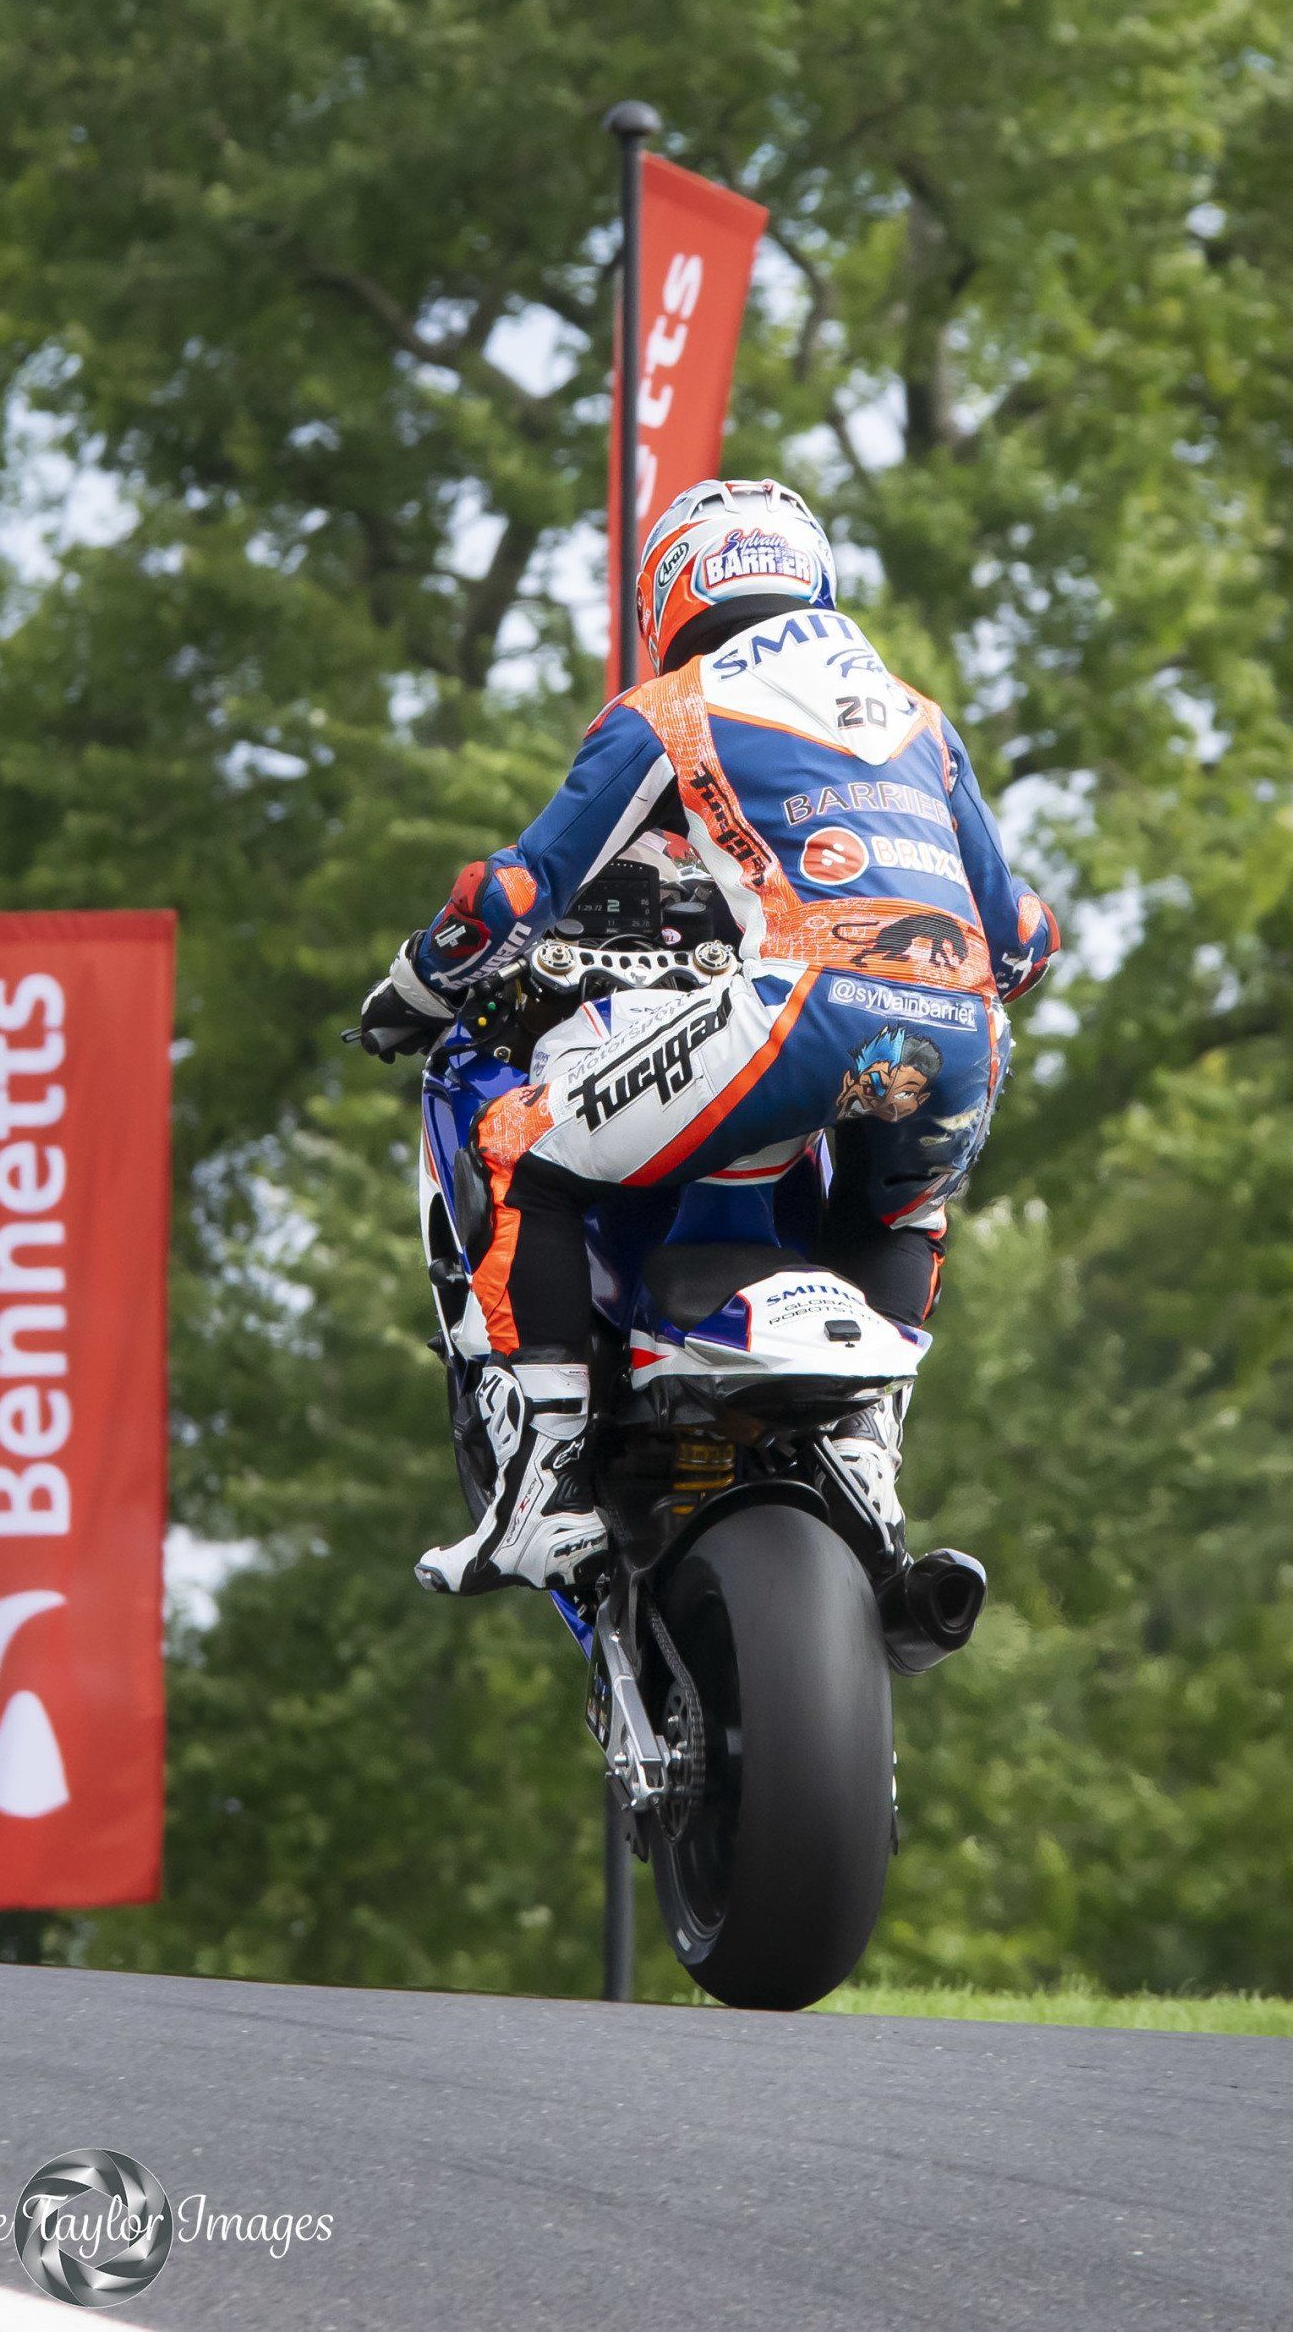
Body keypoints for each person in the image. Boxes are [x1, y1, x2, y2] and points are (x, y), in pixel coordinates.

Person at [356, 477, 1058, 1596]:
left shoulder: (669, 704)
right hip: (964, 1028)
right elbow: (1022, 934)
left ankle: (542, 1490)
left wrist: (414, 985)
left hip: (803, 1006)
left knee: (522, 1146)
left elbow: (510, 894)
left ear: (673, 590)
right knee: (899, 1203)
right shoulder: (919, 716)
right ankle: (866, 1460)